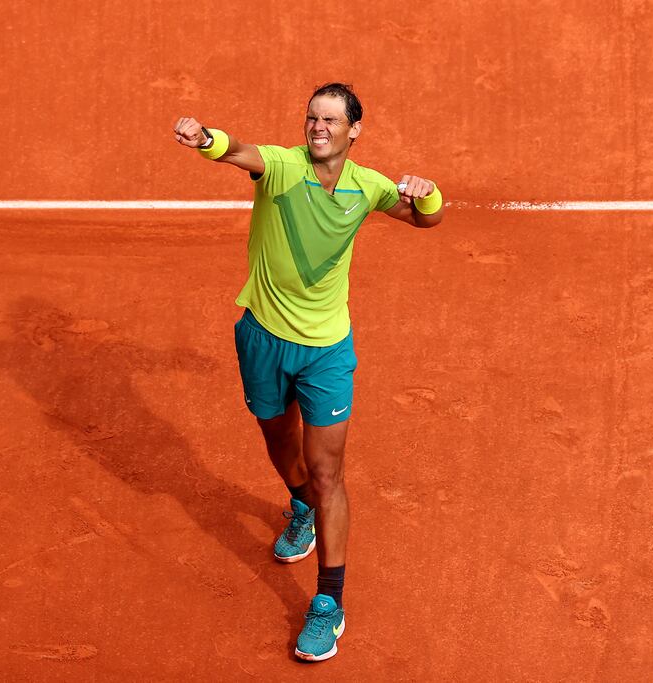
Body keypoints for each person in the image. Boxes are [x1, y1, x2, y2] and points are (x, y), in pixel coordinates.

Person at [173, 82, 443, 662]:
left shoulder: (367, 186)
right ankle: (300, 509)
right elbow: (237, 149)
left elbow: (427, 220)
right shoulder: (280, 167)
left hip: (325, 352)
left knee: (328, 474)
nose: (318, 127)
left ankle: (328, 602)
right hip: (262, 339)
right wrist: (205, 139)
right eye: (312, 118)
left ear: (353, 131)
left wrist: (427, 193)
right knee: (276, 436)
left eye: (330, 120)